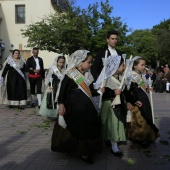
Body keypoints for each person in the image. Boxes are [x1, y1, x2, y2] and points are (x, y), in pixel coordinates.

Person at [51, 50, 102, 164]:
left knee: (88, 126)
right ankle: (71, 148)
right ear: (80, 62)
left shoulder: (88, 75)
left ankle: (84, 151)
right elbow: (62, 91)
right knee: (73, 126)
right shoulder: (70, 74)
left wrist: (98, 90)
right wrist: (61, 104)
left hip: (86, 106)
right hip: (72, 106)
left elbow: (89, 91)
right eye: (89, 62)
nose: (91, 64)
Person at [94, 55, 127, 157]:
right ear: (115, 66)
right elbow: (103, 93)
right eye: (122, 65)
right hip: (109, 105)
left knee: (116, 123)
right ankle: (112, 144)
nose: (124, 67)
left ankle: (113, 143)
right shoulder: (106, 79)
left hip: (119, 104)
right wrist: (113, 92)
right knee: (110, 123)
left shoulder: (121, 77)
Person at [125, 56, 159, 145]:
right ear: (135, 65)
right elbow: (129, 90)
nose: (144, 67)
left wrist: (149, 88)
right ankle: (139, 137)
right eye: (142, 65)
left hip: (143, 98)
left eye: (145, 65)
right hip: (137, 100)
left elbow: (143, 86)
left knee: (145, 118)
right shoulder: (131, 75)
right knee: (139, 120)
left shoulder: (140, 75)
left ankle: (145, 136)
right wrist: (132, 100)